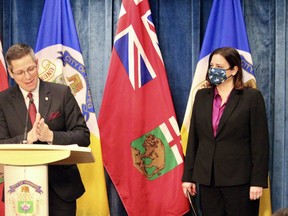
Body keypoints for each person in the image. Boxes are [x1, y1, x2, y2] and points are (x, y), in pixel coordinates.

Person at [0, 43, 90, 216]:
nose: (27, 76)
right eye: (19, 72)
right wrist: (27, 138)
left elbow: (83, 136)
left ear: (37, 62)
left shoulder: (61, 93)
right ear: (11, 73)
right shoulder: (3, 101)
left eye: (31, 69)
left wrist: (51, 136)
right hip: (20, 188)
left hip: (61, 190)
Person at [182, 47, 269, 216]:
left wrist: (257, 181)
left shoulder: (251, 97)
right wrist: (188, 176)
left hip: (240, 181)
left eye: (220, 67)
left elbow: (261, 143)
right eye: (212, 65)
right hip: (207, 180)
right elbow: (194, 139)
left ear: (234, 69)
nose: (214, 70)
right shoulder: (201, 96)